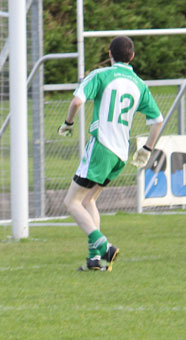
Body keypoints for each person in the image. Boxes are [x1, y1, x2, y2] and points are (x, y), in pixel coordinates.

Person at [58, 36, 163, 271]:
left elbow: (77, 102)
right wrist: (146, 149)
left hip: (101, 147)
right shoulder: (139, 84)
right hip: (120, 154)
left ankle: (105, 246)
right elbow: (157, 120)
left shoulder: (101, 75)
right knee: (89, 200)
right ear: (132, 57)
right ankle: (94, 259)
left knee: (71, 202)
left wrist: (68, 123)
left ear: (110, 54)